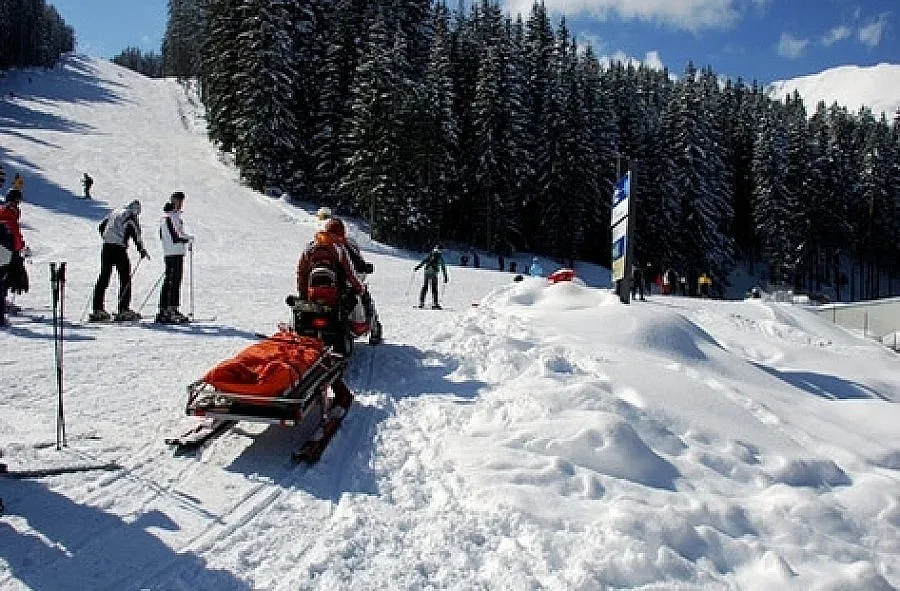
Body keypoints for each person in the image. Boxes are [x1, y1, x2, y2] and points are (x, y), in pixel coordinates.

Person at [90, 200, 149, 322]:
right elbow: (136, 234)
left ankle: (97, 309)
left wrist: (107, 238)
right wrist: (141, 249)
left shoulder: (114, 212)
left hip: (106, 247)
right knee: (125, 278)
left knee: (104, 276)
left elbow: (101, 226)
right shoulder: (130, 217)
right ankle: (123, 309)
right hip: (119, 249)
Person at [296, 217, 366, 308]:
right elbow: (350, 273)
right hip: (335, 294)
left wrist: (302, 294)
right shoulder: (339, 248)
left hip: (313, 291)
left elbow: (302, 273)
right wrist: (360, 289)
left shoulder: (310, 247)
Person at [156, 192, 193, 323]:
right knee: (173, 281)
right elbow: (176, 236)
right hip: (173, 252)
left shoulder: (173, 217)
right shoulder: (170, 217)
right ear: (173, 201)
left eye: (181, 201)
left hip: (173, 252)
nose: (180, 204)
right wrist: (188, 239)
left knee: (172, 280)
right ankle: (169, 310)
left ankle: (167, 309)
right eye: (178, 201)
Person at [0, 191, 27, 327]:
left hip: (5, 250)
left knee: (4, 279)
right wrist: (20, 246)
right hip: (5, 251)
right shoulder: (9, 214)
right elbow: (15, 234)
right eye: (17, 202)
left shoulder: (4, 211)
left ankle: (3, 303)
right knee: (4, 279)